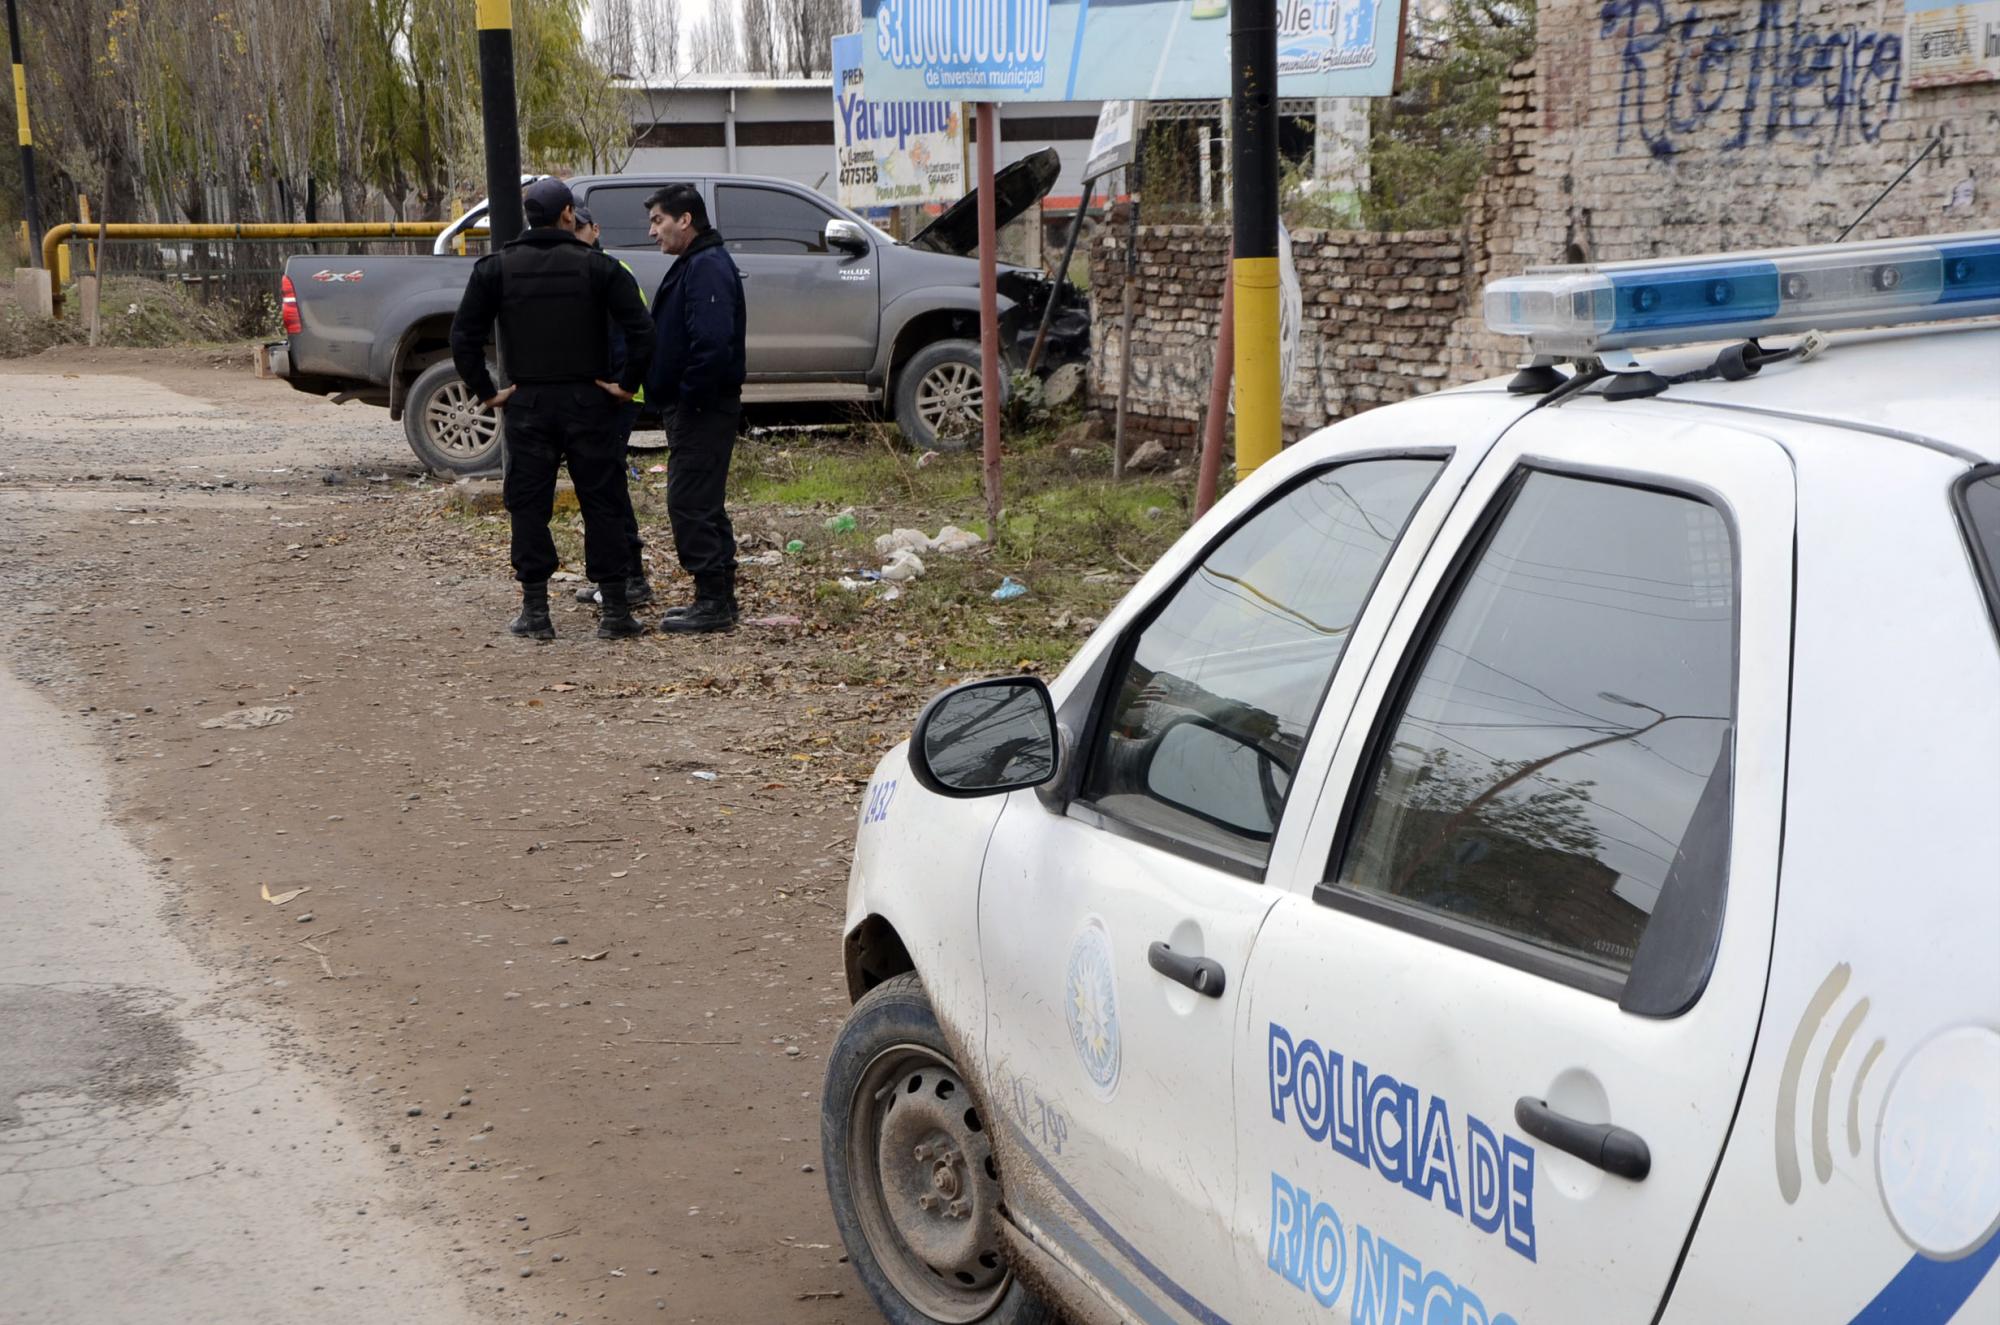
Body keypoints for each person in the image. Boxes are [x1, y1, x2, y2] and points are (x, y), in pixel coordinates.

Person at [449, 177, 654, 641]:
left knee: (528, 504)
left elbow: (463, 337)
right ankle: (615, 611)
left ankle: (536, 611)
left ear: (530, 217)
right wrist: (626, 385)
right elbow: (642, 330)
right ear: (567, 214)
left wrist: (488, 392)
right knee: (602, 502)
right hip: (590, 401)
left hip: (528, 403)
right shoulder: (600, 267)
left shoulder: (496, 268)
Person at [643, 182, 747, 634]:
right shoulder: (697, 262)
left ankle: (712, 602)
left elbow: (712, 344)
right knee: (703, 501)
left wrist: (689, 397)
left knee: (688, 502)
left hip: (703, 409)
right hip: (699, 406)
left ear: (685, 220)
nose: (652, 231)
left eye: (658, 220)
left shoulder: (706, 266)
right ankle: (720, 597)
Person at [570, 205, 653, 611]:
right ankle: (615, 576)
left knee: (609, 486)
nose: (573, 234)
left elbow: (631, 334)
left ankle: (630, 577)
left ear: (595, 229)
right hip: (599, 394)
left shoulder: (611, 270)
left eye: (579, 227)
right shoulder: (577, 269)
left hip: (618, 396)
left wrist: (622, 386)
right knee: (602, 484)